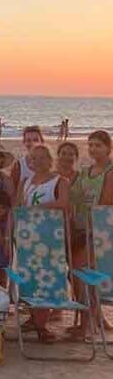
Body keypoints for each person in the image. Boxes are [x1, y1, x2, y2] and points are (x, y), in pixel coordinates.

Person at [17, 144, 70, 343]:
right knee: (30, 279)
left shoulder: (59, 181)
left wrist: (37, 208)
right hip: (28, 238)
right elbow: (19, 207)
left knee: (48, 280)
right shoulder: (25, 182)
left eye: (41, 158)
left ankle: (41, 325)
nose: (37, 162)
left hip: (50, 239)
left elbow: (63, 204)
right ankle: (36, 322)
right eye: (33, 158)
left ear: (50, 160)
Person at [70, 131, 113, 336]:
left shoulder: (110, 171)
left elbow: (105, 203)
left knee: (88, 276)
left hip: (99, 230)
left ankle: (87, 325)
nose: (93, 149)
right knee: (78, 276)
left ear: (108, 147)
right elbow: (74, 198)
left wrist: (92, 226)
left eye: (98, 145)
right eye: (90, 145)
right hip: (80, 227)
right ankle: (92, 319)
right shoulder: (86, 171)